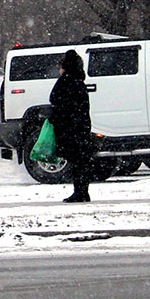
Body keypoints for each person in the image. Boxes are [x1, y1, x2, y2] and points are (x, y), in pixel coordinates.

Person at [49, 49, 94, 203]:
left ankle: (80, 192)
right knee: (81, 161)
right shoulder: (78, 82)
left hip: (71, 128)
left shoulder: (67, 82)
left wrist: (57, 119)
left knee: (77, 161)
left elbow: (58, 102)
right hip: (80, 126)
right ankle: (82, 191)